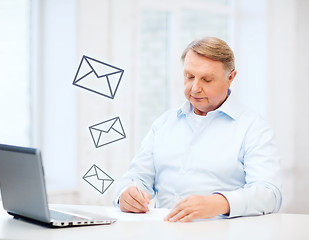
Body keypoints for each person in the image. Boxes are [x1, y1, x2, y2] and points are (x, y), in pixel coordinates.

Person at [112, 37, 282, 222]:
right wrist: (126, 195)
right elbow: (137, 177)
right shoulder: (163, 124)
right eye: (189, 76)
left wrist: (220, 203)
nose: (194, 88)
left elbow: (269, 193)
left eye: (207, 79)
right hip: (166, 232)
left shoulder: (253, 127)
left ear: (230, 78)